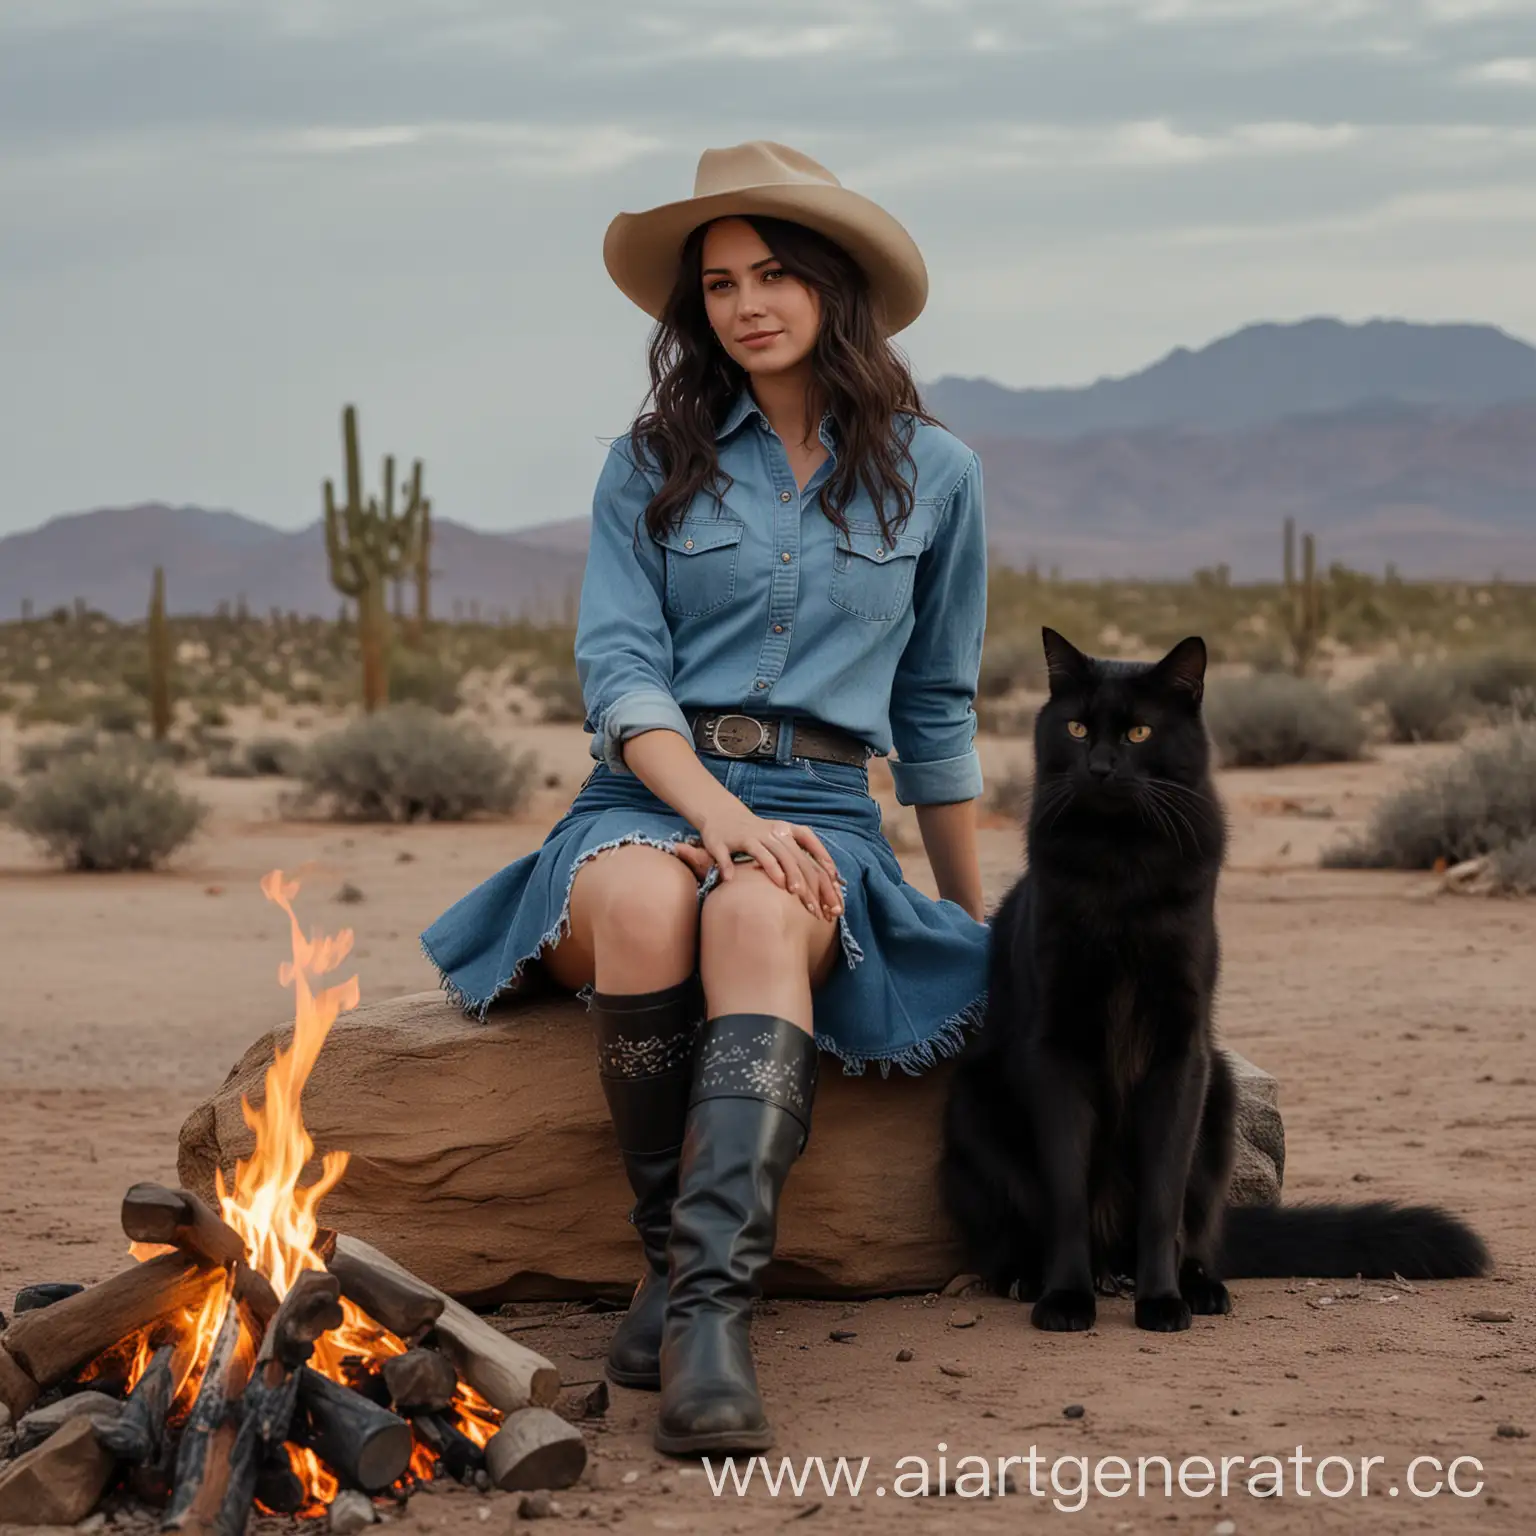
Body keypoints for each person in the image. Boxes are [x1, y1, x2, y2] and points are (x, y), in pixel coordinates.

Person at [420, 140, 990, 1457]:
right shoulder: (646, 462)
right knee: (642, 903)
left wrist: (973, 920)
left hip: (828, 809)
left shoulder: (938, 474)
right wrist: (713, 814)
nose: (746, 302)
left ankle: (702, 1309)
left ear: (835, 287)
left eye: (776, 272)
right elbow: (619, 669)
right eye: (721, 281)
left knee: (746, 922)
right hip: (646, 793)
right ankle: (676, 1273)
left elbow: (936, 710)